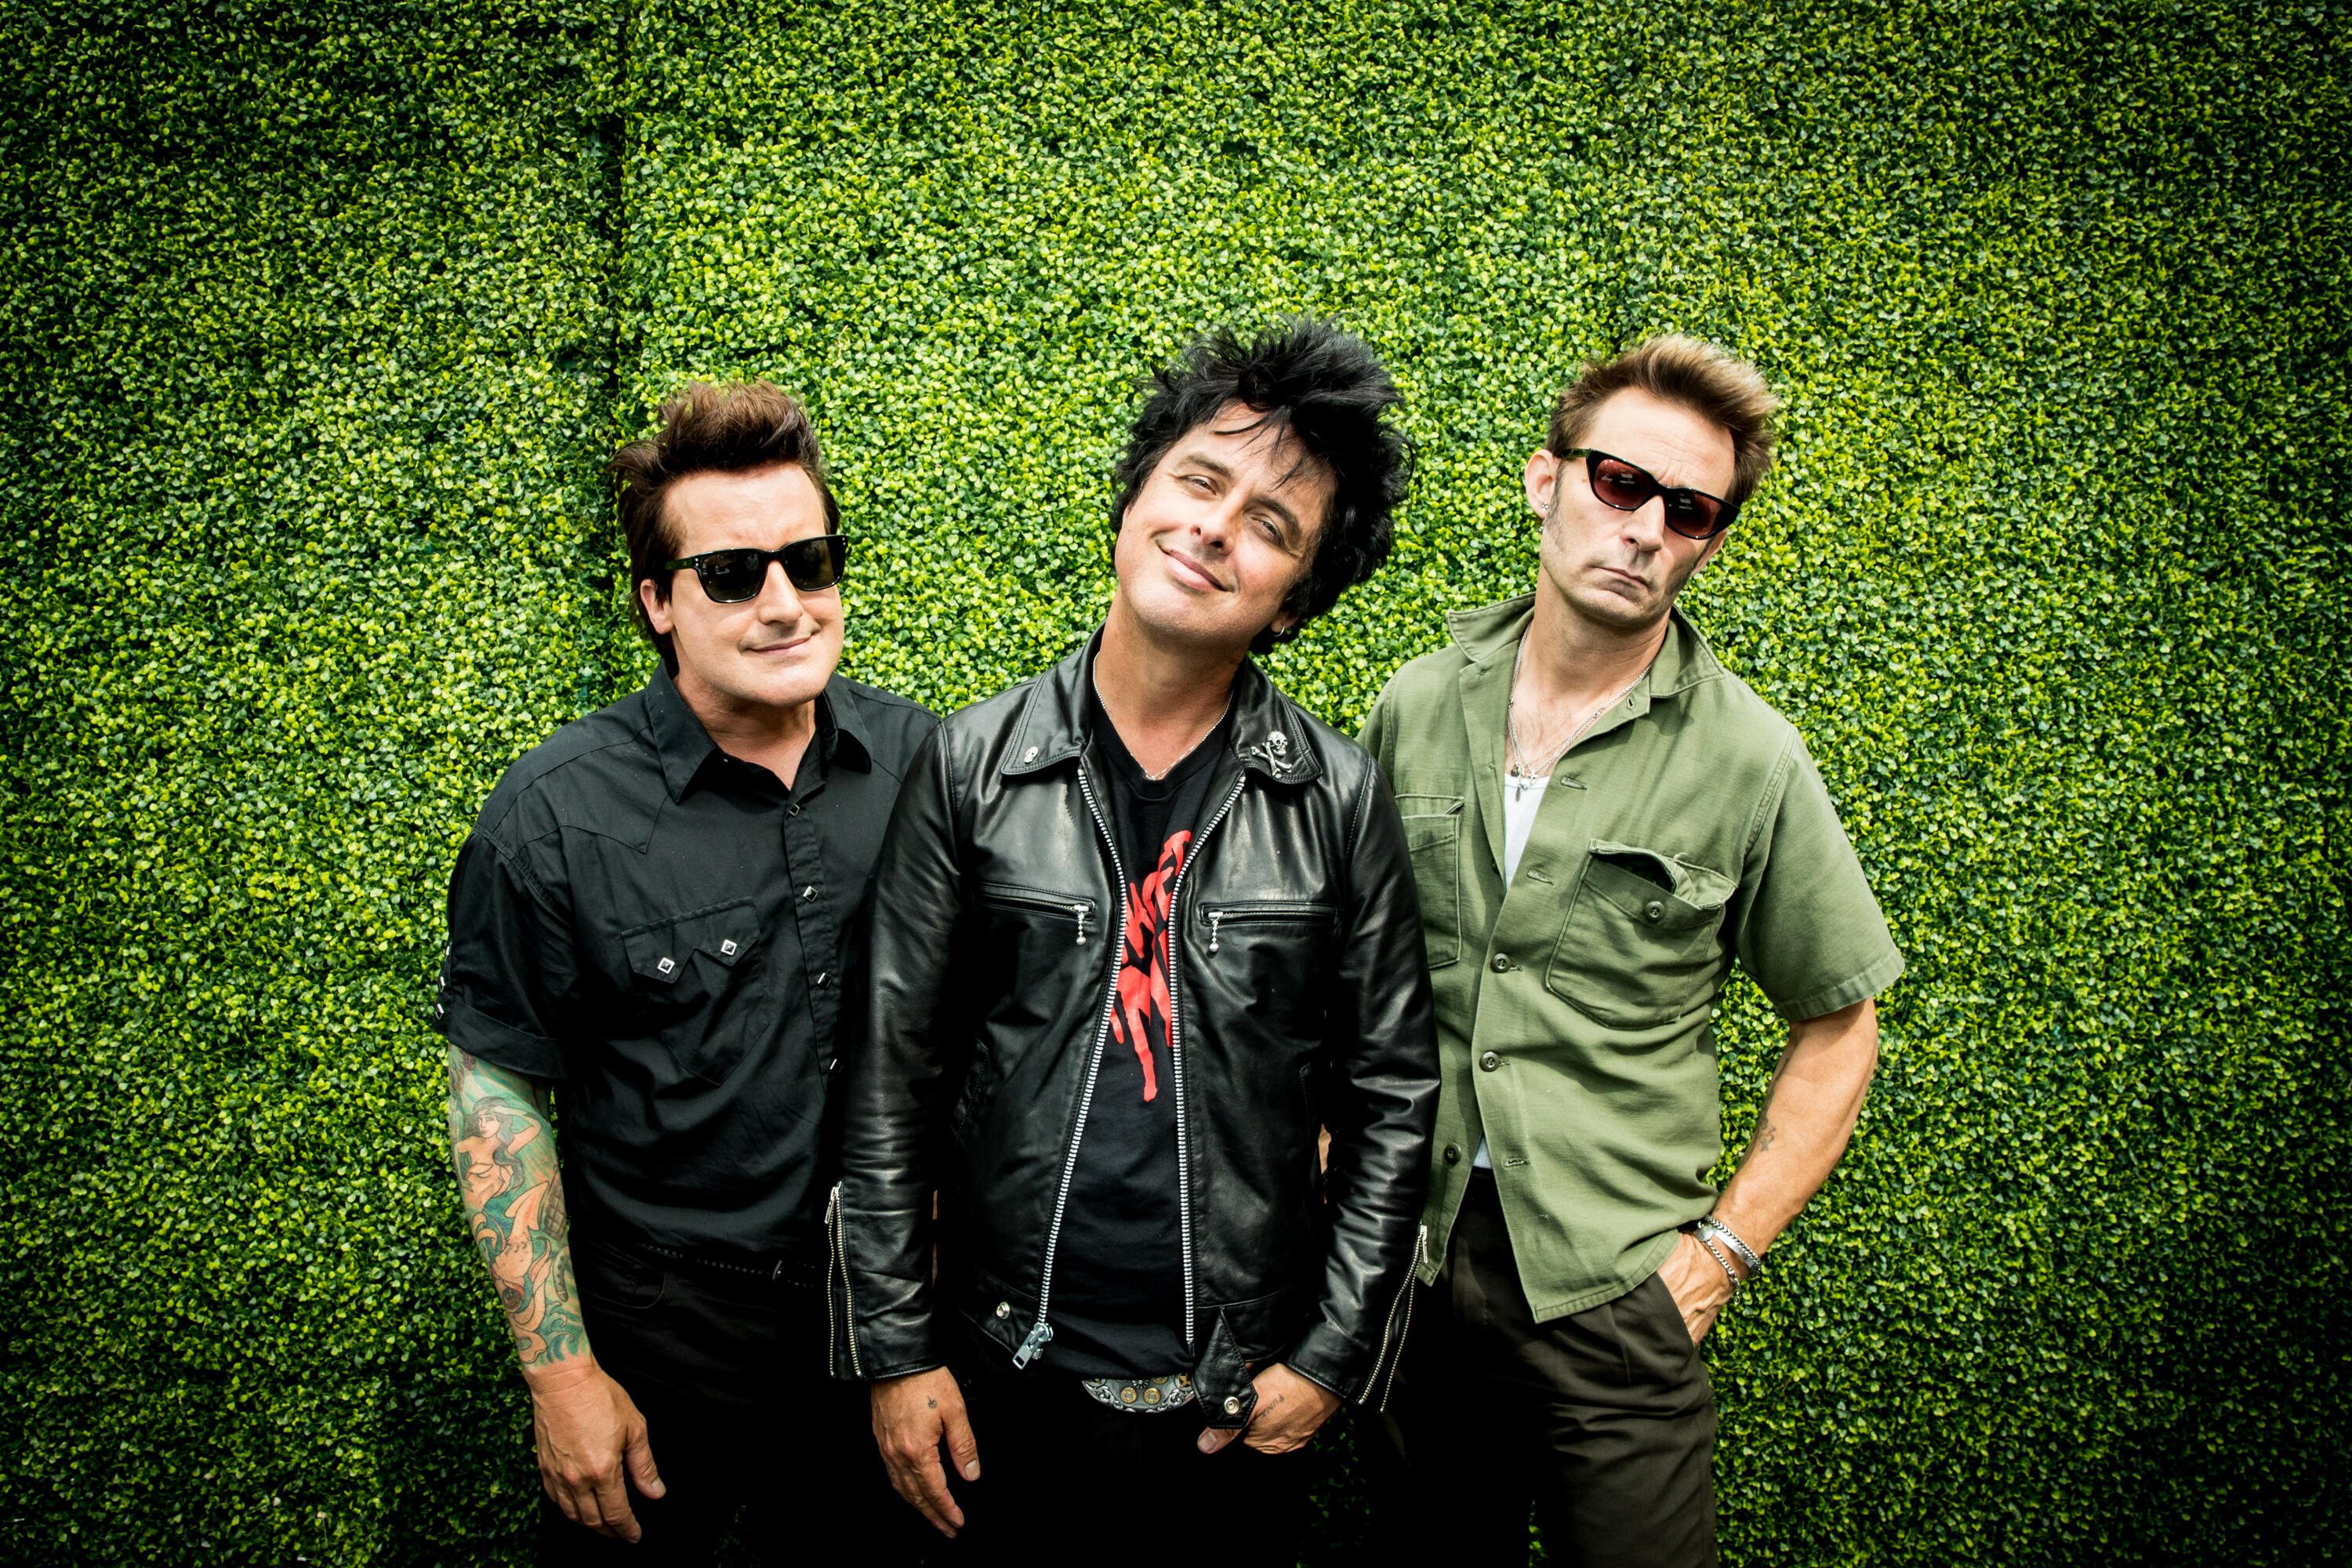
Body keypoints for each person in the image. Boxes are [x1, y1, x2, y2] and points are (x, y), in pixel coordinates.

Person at [830, 318, 1440, 1565]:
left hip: (1229, 1402)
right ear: (1134, 500)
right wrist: (895, 1354)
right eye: (1199, 482)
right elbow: (890, 1079)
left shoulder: (1337, 798)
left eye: (1271, 526)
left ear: (1294, 603)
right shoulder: (973, 766)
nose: (1216, 528)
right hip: (996, 1376)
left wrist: (1331, 1359)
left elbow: (1393, 1098)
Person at [1359, 336, 1905, 1565]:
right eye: (1620, 483)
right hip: (1416, 1264)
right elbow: (1356, 973)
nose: (1647, 528)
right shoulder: (1416, 705)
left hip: (1613, 1286)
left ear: (1710, 540)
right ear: (1545, 479)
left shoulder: (1750, 759)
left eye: (1690, 509)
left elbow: (1839, 1027)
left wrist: (1718, 1258)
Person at [434, 380, 933, 1561]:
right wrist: (561, 1377)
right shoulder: (556, 815)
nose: (785, 603)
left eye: (810, 562)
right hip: (662, 1324)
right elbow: (498, 1093)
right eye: (732, 575)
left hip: (884, 1312)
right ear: (657, 602)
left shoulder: (924, 762)